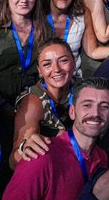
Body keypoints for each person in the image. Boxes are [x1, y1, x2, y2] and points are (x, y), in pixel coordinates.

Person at [11, 38, 78, 167]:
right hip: (50, 169)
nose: (57, 69)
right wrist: (26, 148)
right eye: (47, 64)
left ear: (74, 62)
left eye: (63, 61)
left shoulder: (83, 88)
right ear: (40, 71)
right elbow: (14, 161)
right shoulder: (33, 102)